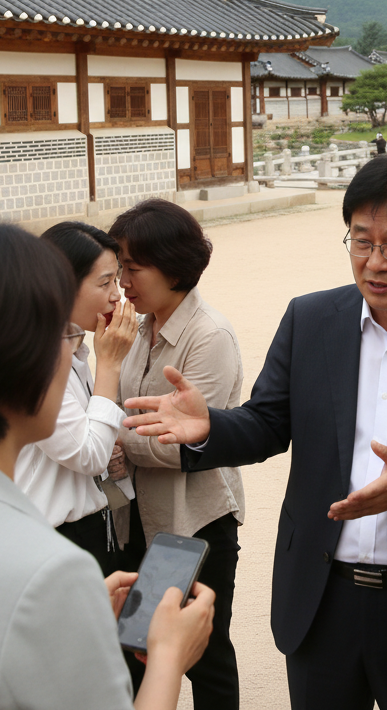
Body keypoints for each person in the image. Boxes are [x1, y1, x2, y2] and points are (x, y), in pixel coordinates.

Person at [123, 155, 387, 710]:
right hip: (322, 598)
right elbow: (267, 423)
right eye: (360, 242)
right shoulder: (311, 320)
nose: (374, 263)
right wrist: (209, 426)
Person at [0, 217, 214, 710]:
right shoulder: (47, 574)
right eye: (63, 335)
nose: (73, 347)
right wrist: (167, 657)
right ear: (19, 369)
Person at [110, 198, 244, 710]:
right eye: (120, 266)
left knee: (206, 656)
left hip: (196, 522)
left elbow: (187, 443)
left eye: (132, 267)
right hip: (140, 517)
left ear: (171, 267)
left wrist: (113, 438)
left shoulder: (209, 335)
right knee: (135, 645)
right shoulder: (139, 326)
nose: (122, 279)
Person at [15, 221, 139, 574]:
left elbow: (88, 445)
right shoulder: (35, 358)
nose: (118, 294)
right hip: (54, 538)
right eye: (105, 283)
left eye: (116, 279)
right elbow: (86, 455)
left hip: (87, 528)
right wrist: (111, 364)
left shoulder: (71, 347)